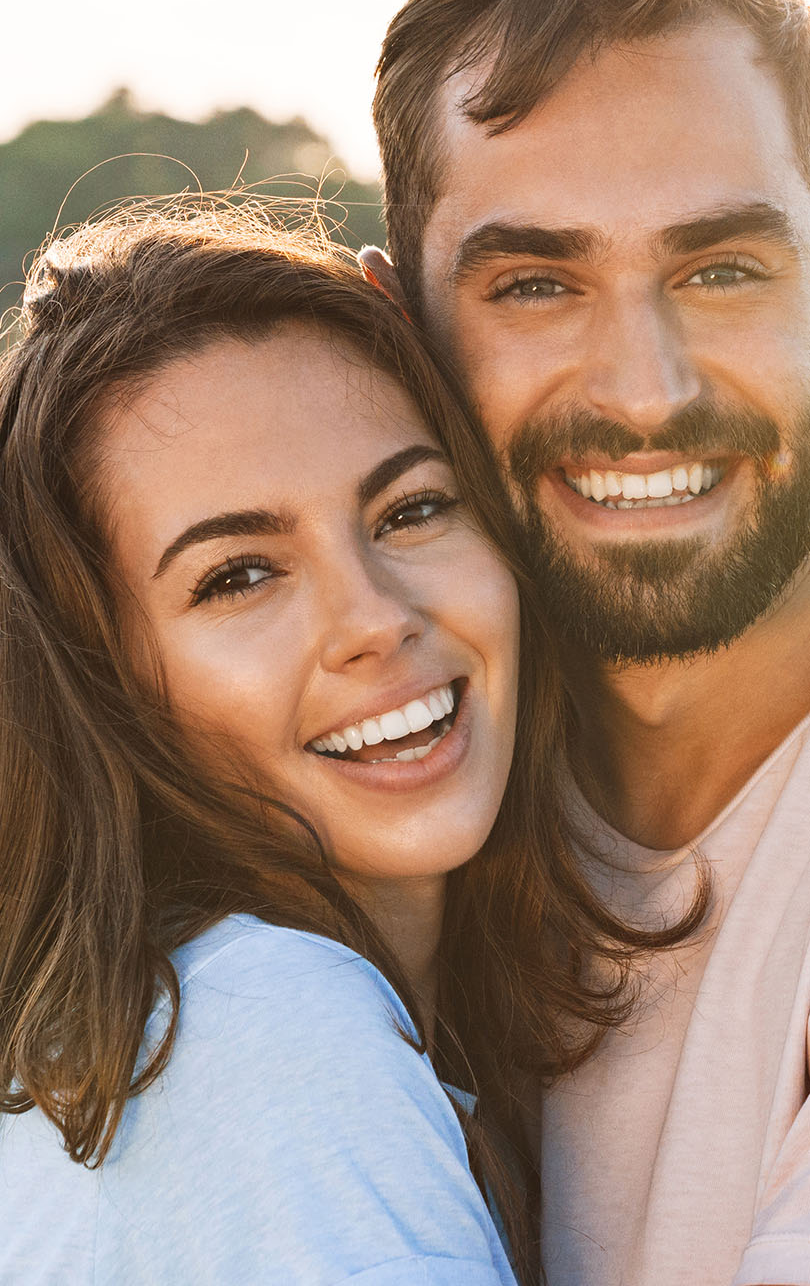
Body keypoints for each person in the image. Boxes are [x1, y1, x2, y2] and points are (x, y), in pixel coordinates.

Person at [0, 205, 680, 1285]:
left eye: (411, 510)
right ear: (103, 683)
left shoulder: (202, 1023)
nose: (375, 618)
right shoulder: (259, 1026)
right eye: (239, 575)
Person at [363, 0, 810, 1284]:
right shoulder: (381, 795)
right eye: (536, 286)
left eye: (722, 268)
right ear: (398, 335)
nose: (645, 392)